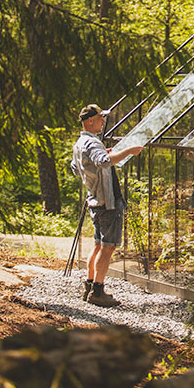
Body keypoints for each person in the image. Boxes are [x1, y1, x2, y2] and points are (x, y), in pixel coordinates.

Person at [70, 104, 143, 307]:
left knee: (98, 244)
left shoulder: (80, 143)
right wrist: (128, 150)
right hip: (107, 202)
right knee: (108, 246)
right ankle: (98, 292)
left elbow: (77, 168)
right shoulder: (92, 143)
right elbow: (103, 162)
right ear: (90, 121)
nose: (103, 122)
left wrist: (105, 154)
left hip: (94, 199)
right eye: (100, 118)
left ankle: (90, 285)